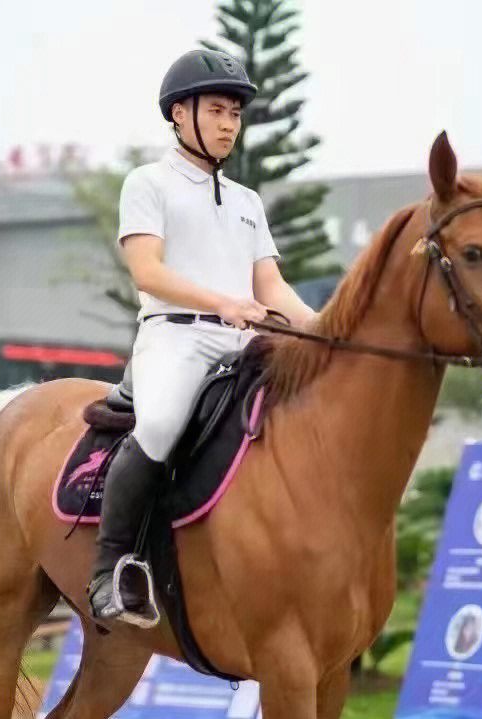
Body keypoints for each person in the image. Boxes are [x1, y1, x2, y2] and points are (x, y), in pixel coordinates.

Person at [87, 49, 317, 624]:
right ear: (178, 114)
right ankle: (108, 571)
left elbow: (273, 286)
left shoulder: (247, 202)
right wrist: (223, 303)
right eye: (217, 111)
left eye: (235, 116)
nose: (228, 125)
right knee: (160, 425)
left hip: (244, 339)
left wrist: (324, 328)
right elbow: (148, 272)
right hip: (175, 339)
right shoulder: (148, 183)